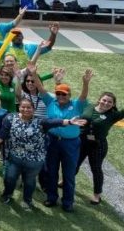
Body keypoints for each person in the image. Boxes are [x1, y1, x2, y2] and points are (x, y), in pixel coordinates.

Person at [0, 98, 83, 209]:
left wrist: (69, 122)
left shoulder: (40, 122)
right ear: (19, 107)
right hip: (14, 157)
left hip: (34, 161)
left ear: (34, 109)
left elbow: (54, 122)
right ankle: (7, 194)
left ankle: (27, 200)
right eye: (23, 107)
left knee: (29, 182)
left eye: (29, 107)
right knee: (10, 178)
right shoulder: (10, 118)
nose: (26, 109)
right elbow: (3, 133)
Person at [42, 70, 92, 212]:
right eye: (58, 93)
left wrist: (85, 83)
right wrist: (34, 74)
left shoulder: (77, 104)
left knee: (68, 174)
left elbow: (83, 96)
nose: (61, 96)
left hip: (70, 143)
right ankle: (51, 198)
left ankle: (68, 202)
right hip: (52, 141)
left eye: (64, 94)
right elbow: (40, 89)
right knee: (51, 172)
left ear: (70, 95)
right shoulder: (52, 102)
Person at [78, 91, 123, 205]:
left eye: (110, 102)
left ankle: (97, 195)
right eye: (104, 100)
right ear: (99, 100)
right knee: (74, 163)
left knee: (96, 169)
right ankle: (65, 181)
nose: (106, 103)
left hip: (98, 145)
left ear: (113, 105)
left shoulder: (113, 115)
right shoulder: (89, 106)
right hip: (81, 141)